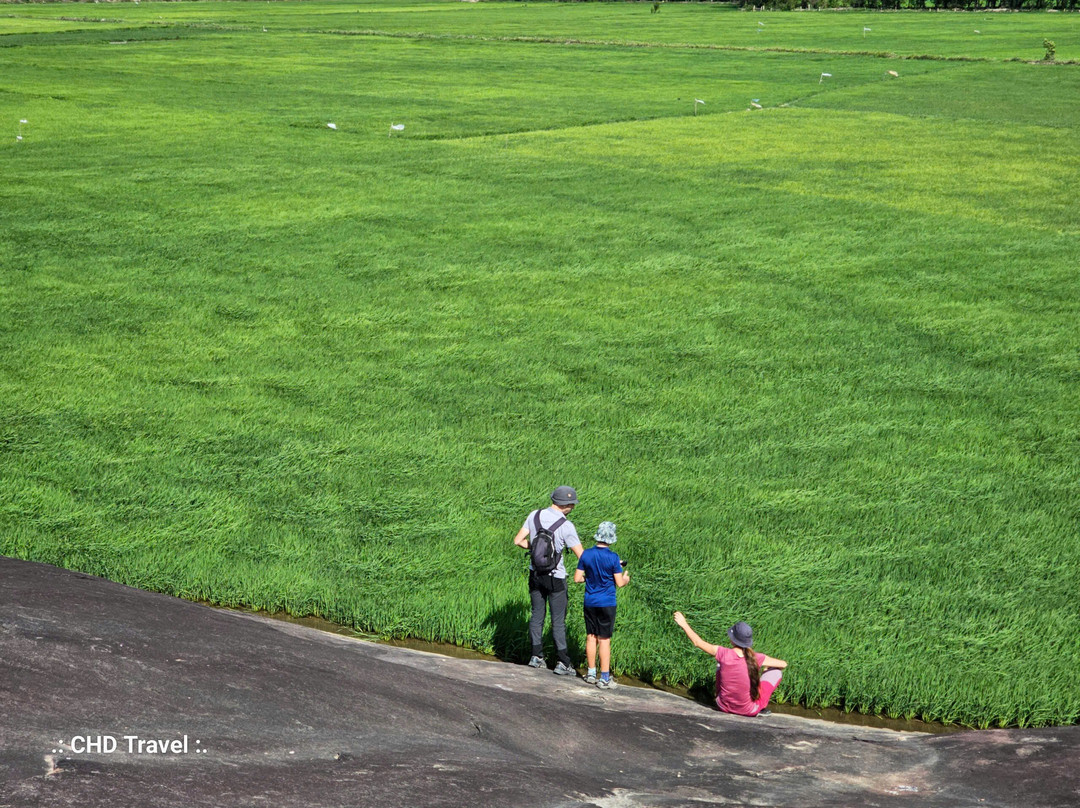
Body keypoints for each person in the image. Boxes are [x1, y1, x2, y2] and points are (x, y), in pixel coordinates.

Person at [512, 486, 584, 675]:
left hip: (535, 574)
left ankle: (536, 656)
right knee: (558, 621)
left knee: (537, 615)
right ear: (566, 505)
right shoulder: (566, 526)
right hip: (556, 578)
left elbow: (518, 540)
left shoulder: (534, 515)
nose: (573, 507)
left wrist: (536, 549)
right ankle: (563, 662)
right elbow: (582, 556)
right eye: (572, 504)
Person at [672, 611, 787, 717]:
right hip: (748, 711)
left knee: (719, 665)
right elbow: (783, 664)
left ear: (733, 639)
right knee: (776, 671)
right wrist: (766, 667)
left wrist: (684, 624)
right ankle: (761, 707)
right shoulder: (757, 658)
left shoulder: (722, 653)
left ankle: (720, 696)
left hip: (723, 706)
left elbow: (697, 642)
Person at [574, 521, 630, 689]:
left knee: (591, 636)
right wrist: (625, 577)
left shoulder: (586, 555)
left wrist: (590, 578)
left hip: (590, 601)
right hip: (607, 602)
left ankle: (591, 673)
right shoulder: (613, 558)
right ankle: (604, 678)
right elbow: (619, 583)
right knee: (604, 639)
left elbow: (577, 578)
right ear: (611, 539)